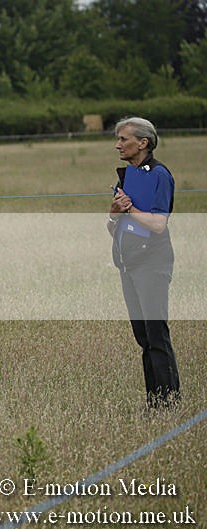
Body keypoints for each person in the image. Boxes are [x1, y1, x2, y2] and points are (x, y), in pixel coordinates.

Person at [107, 116, 180, 409]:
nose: (118, 145)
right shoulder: (128, 175)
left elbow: (158, 224)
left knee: (156, 334)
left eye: (124, 139)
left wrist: (131, 208)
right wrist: (114, 212)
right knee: (143, 337)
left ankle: (169, 403)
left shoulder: (159, 175)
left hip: (152, 263)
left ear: (143, 142)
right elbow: (116, 226)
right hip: (129, 263)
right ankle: (154, 401)